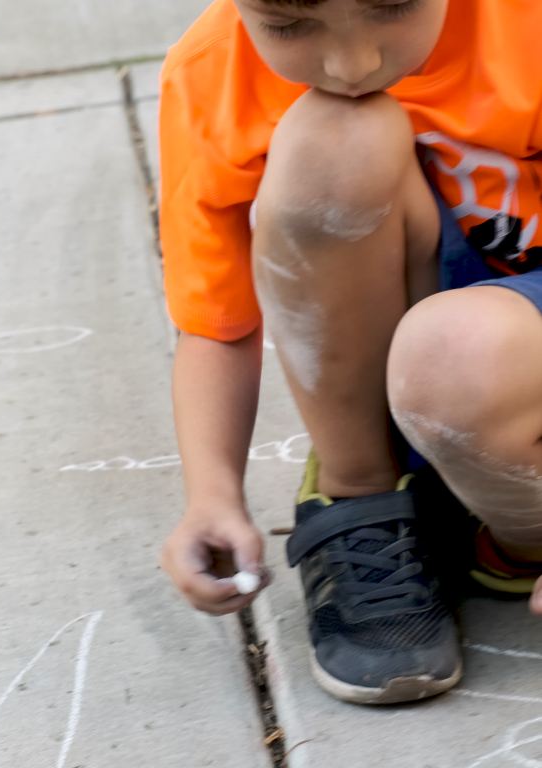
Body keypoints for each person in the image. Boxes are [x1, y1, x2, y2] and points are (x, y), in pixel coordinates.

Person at [159, 0, 542, 705]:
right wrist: (211, 495)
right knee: (335, 140)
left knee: (460, 352)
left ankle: (520, 533)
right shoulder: (214, 73)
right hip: (436, 371)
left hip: (513, 369)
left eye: (392, 6)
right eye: (289, 25)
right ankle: (362, 493)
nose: (352, 63)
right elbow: (215, 322)